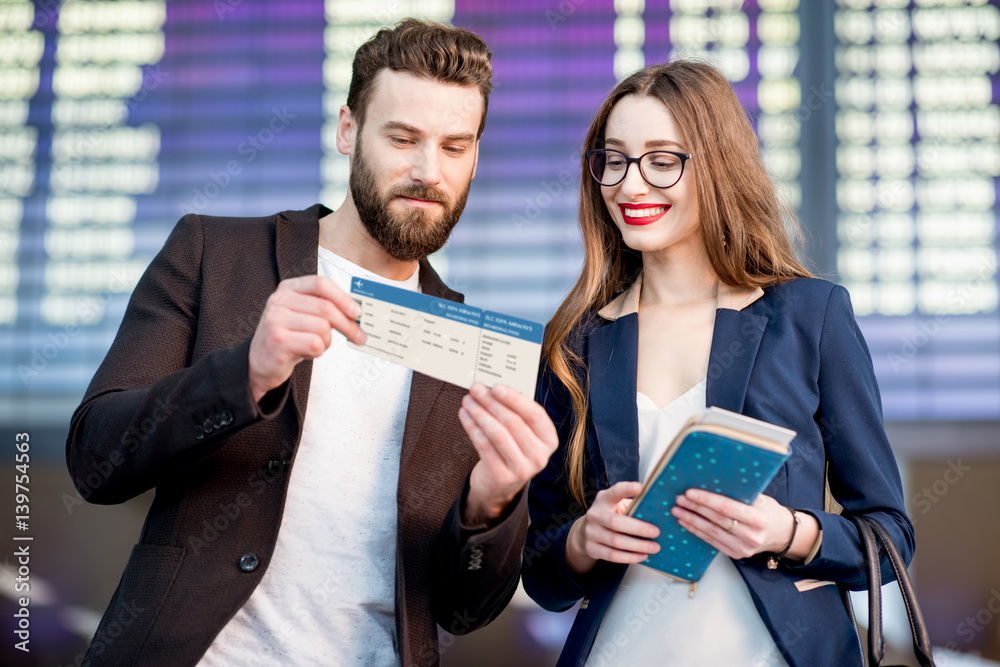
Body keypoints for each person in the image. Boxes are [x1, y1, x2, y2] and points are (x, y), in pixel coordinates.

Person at [66, 19, 556, 666]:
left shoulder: (477, 352)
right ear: (347, 130)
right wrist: (247, 371)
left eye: (455, 146)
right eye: (402, 138)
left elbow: (463, 610)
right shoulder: (215, 254)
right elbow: (95, 460)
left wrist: (491, 503)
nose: (426, 171)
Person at [518, 60, 915, 666]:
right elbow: (543, 574)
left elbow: (891, 539)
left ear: (718, 167)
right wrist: (581, 539)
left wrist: (786, 532)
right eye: (615, 159)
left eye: (662, 159)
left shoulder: (809, 317)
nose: (629, 185)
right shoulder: (574, 344)